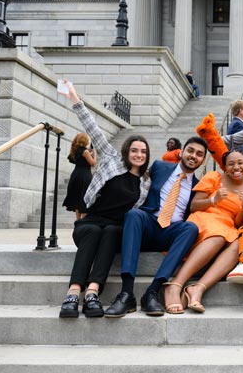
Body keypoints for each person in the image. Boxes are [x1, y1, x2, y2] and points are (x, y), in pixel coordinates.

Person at [59, 80, 151, 319]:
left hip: (115, 228)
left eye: (143, 152)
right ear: (127, 151)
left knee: (109, 232)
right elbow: (93, 129)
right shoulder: (111, 159)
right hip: (90, 222)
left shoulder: (145, 183)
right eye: (134, 150)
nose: (138, 155)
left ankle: (92, 292)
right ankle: (73, 292)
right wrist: (75, 98)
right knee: (94, 232)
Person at [104, 136, 208, 318]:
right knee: (134, 214)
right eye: (190, 151)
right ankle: (127, 293)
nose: (193, 156)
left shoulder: (198, 187)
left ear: (203, 160)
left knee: (190, 228)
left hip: (170, 232)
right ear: (182, 152)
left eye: (199, 154)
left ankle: (152, 292)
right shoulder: (160, 167)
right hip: (147, 224)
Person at [161, 149, 243, 314]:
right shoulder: (215, 177)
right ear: (225, 168)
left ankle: (198, 288)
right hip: (204, 218)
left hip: (228, 225)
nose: (236, 167)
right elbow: (194, 205)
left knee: (238, 244)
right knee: (218, 236)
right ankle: (175, 284)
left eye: (240, 163)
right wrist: (214, 200)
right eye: (231, 164)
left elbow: (239, 223)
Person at [62, 132, 96, 221]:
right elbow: (93, 163)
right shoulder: (85, 152)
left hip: (76, 175)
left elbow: (76, 158)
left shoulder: (76, 150)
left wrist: (89, 151)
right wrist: (94, 154)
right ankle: (83, 222)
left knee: (77, 199)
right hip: (85, 176)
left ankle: (78, 221)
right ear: (85, 140)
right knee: (84, 198)